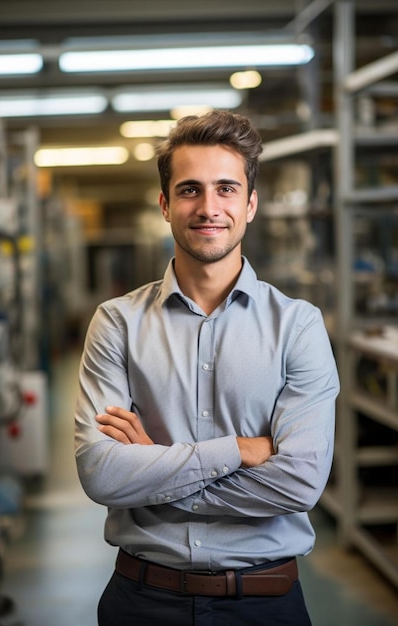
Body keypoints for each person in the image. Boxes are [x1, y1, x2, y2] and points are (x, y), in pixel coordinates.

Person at [74, 110, 339, 626]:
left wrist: (156, 466)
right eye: (190, 189)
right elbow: (102, 473)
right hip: (142, 600)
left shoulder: (299, 326)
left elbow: (301, 483)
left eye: (226, 188)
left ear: (251, 204)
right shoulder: (117, 324)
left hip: (266, 603)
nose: (209, 207)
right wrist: (239, 451)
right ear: (165, 204)